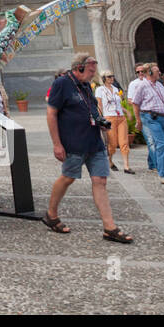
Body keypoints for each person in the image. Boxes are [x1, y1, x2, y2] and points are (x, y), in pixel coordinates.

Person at [43, 53, 132, 242]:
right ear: (79, 68)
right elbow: (51, 114)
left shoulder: (86, 85)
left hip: (94, 142)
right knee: (68, 178)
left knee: (100, 180)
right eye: (91, 71)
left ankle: (110, 227)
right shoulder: (62, 84)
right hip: (74, 143)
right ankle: (51, 214)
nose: (93, 75)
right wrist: (57, 144)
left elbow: (90, 109)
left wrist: (100, 122)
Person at [128, 62, 164, 183]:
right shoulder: (142, 86)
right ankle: (162, 174)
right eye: (157, 71)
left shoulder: (159, 85)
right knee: (162, 144)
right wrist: (138, 120)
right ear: (149, 73)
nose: (159, 73)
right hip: (151, 118)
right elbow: (135, 103)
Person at [94, 70, 133, 173]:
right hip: (109, 117)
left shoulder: (116, 89)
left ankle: (126, 166)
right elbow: (99, 105)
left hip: (120, 117)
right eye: (109, 76)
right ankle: (110, 161)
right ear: (104, 79)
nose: (112, 78)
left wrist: (127, 111)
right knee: (112, 143)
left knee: (124, 142)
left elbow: (118, 104)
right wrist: (101, 119)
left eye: (112, 76)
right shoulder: (99, 90)